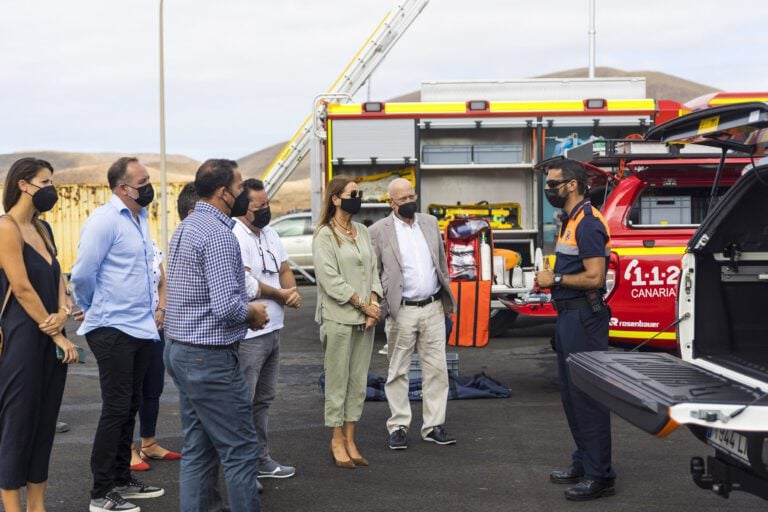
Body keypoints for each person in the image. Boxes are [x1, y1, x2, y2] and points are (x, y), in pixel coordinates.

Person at [164, 159, 268, 512]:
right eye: (239, 188)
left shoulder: (188, 225)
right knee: (241, 449)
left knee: (199, 447)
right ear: (224, 193)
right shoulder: (219, 235)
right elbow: (226, 307)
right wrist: (252, 313)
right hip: (208, 358)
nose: (243, 194)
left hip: (182, 351)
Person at [71, 156, 164, 512]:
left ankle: (122, 479)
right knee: (115, 408)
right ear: (123, 188)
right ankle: (101, 492)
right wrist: (92, 305)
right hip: (113, 328)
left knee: (130, 405)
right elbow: (83, 273)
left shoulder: (140, 218)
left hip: (140, 327)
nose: (149, 186)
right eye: (143, 182)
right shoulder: (104, 220)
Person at [0, 157, 78, 512]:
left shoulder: (43, 228)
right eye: (45, 182)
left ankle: (37, 506)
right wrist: (58, 335)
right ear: (23, 184)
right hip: (21, 338)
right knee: (17, 424)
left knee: (44, 424)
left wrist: (62, 312)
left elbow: (58, 276)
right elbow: (21, 287)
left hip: (48, 332)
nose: (51, 189)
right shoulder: (6, 228)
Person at [535, 159, 615, 501]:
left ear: (572, 185)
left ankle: (600, 475)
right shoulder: (571, 219)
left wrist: (555, 278)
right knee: (571, 395)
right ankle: (583, 461)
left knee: (588, 396)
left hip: (585, 317)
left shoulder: (589, 223)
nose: (548, 189)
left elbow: (595, 278)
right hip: (569, 316)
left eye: (553, 184)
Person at [369, 178, 457, 450]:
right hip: (402, 311)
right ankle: (398, 426)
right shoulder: (377, 231)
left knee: (437, 370)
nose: (409, 202)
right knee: (397, 371)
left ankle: (433, 426)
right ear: (390, 202)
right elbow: (374, 272)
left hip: (432, 307)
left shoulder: (429, 223)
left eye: (411, 196)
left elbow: (440, 262)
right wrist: (382, 306)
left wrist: (444, 299)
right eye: (403, 199)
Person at [312, 176, 382, 469]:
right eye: (352, 194)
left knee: (358, 382)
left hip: (365, 320)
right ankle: (336, 439)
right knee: (337, 382)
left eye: (359, 193)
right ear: (335, 199)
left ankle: (351, 439)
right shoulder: (324, 235)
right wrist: (362, 305)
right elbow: (330, 280)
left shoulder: (362, 231)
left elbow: (374, 269)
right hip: (339, 318)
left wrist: (374, 304)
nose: (357, 198)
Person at [232, 178, 300, 480]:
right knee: (243, 403)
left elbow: (284, 269)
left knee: (263, 400)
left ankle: (260, 461)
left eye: (268, 204)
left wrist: (291, 291)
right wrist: (280, 295)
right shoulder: (236, 235)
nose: (266, 210)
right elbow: (246, 283)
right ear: (244, 207)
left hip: (273, 331)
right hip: (249, 336)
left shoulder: (270, 233)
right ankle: (243, 469)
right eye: (260, 206)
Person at [129, 239, 182, 471]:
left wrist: (162, 308)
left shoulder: (150, 243)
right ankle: (127, 448)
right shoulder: (116, 239)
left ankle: (149, 443)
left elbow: (162, 281)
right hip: (128, 327)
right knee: (128, 389)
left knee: (153, 385)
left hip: (154, 327)